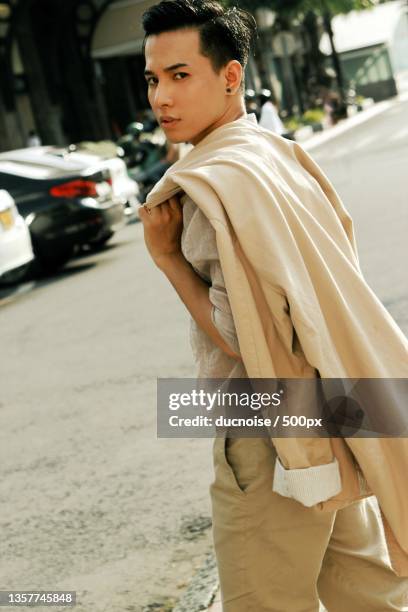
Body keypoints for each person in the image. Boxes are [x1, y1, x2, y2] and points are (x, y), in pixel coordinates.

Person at [138, 1, 408, 610]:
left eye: (181, 76)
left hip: (269, 433)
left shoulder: (211, 185)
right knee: (368, 596)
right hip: (337, 408)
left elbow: (244, 337)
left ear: (230, 76)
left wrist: (169, 260)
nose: (162, 98)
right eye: (154, 79)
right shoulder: (278, 155)